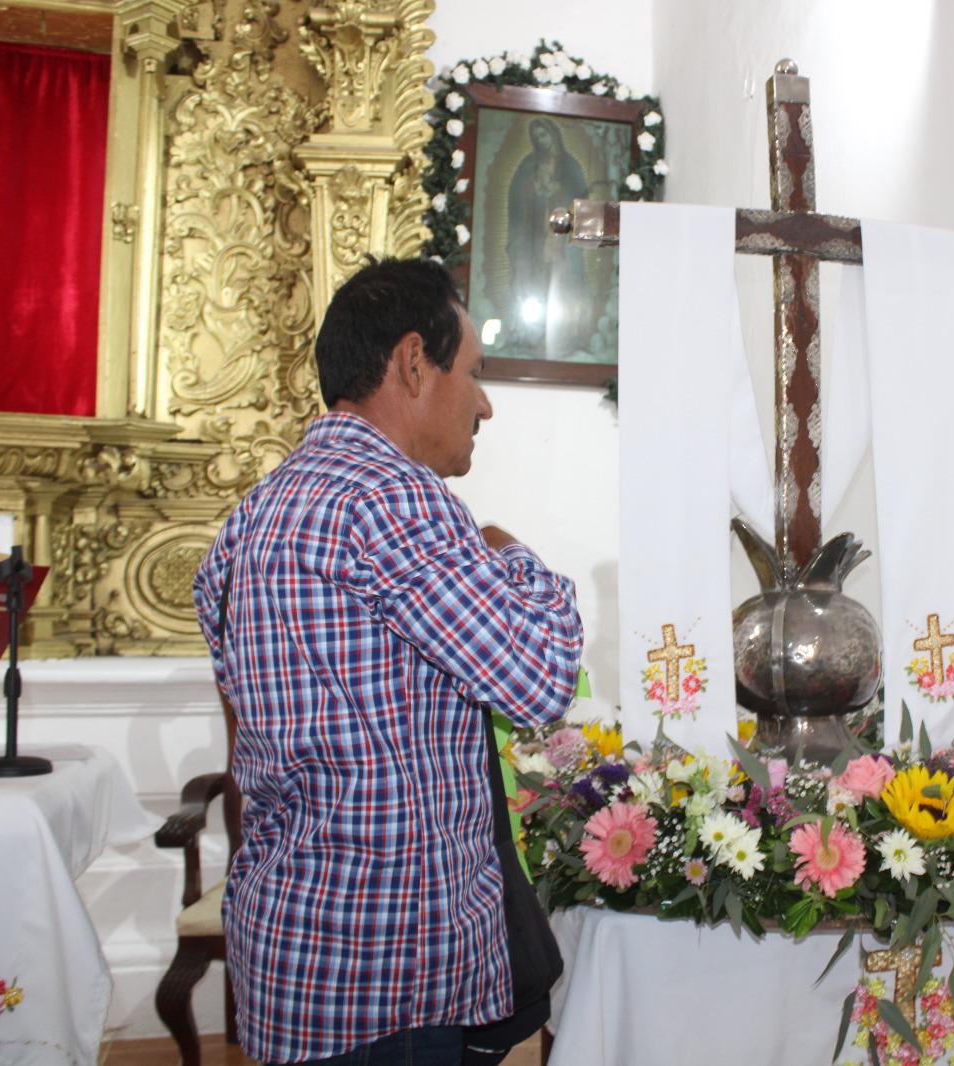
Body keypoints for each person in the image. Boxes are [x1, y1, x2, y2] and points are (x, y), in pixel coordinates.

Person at [192, 257, 584, 1066]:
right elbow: (540, 682)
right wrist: (514, 558)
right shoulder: (392, 498)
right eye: (471, 372)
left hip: (292, 958)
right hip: (390, 976)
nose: (484, 403)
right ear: (413, 362)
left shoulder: (252, 517)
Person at [505, 116, 592, 358]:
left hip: (563, 241)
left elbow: (582, 205)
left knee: (565, 283)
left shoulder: (571, 166)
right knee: (536, 280)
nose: (543, 141)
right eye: (537, 137)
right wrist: (538, 194)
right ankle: (533, 337)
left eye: (545, 134)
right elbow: (518, 202)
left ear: (554, 134)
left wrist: (559, 197)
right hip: (536, 237)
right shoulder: (529, 165)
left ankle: (566, 337)